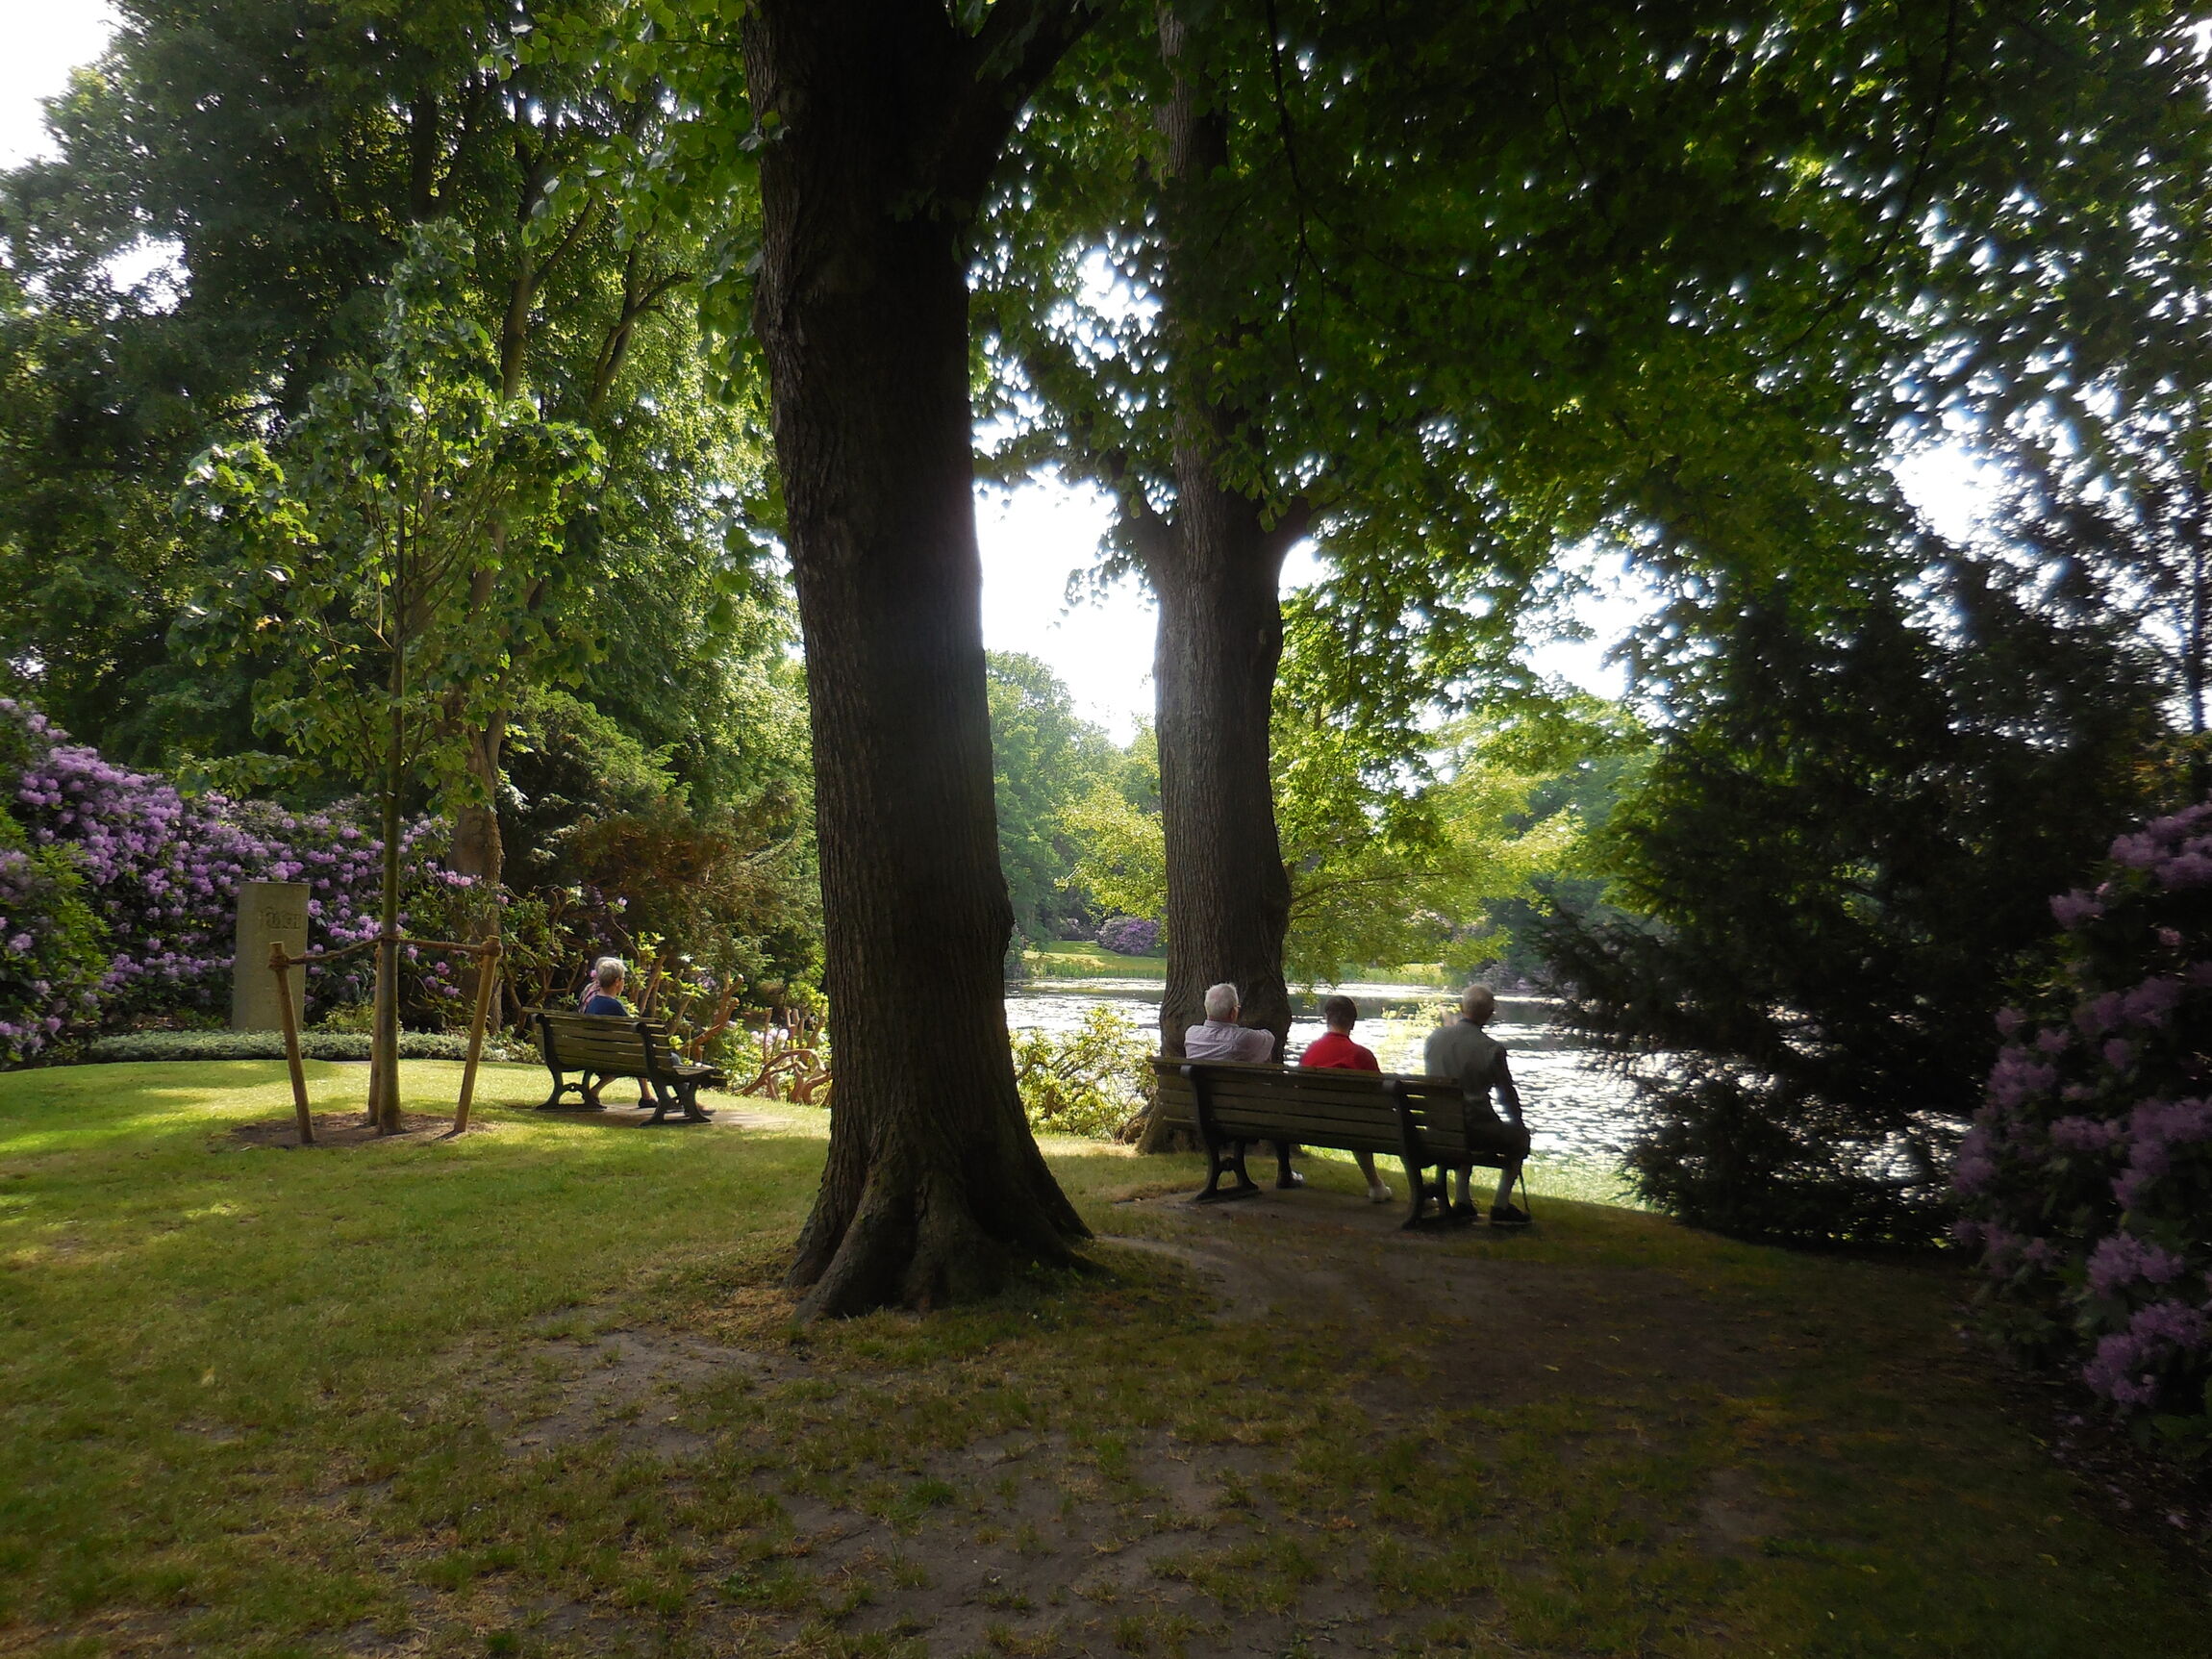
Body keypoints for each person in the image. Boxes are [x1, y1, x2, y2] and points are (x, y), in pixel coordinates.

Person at [1422, 982, 1532, 1227]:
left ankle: (1462, 1201)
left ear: (1461, 1008)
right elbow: (1507, 1096)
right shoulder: (1491, 1049)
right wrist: (1518, 1124)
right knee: (1519, 1138)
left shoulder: (1434, 1039)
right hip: (1476, 1130)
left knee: (1462, 1125)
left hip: (1439, 1127)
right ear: (1490, 1014)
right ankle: (1501, 1205)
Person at [1182, 981, 1299, 1188]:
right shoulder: (1243, 1039)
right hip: (1243, 1116)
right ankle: (1285, 1172)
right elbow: (1269, 1038)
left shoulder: (1191, 1034)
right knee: (1279, 1108)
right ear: (1233, 1013)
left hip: (1202, 1114)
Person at [1298, 993, 1394, 1203]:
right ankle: (1376, 1185)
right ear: (1353, 1023)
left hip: (1308, 1123)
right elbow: (1380, 1099)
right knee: (1361, 1120)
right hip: (1353, 1125)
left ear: (1326, 1019)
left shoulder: (1310, 1052)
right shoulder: (1361, 1055)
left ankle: (1285, 1173)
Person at [578, 958, 648, 1108]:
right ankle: (687, 1102)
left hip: (592, 1054)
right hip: (611, 1059)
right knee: (662, 1057)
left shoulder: (593, 1001)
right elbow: (634, 1033)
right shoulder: (614, 1005)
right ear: (617, 981)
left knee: (637, 1052)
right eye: (623, 979)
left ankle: (647, 1096)